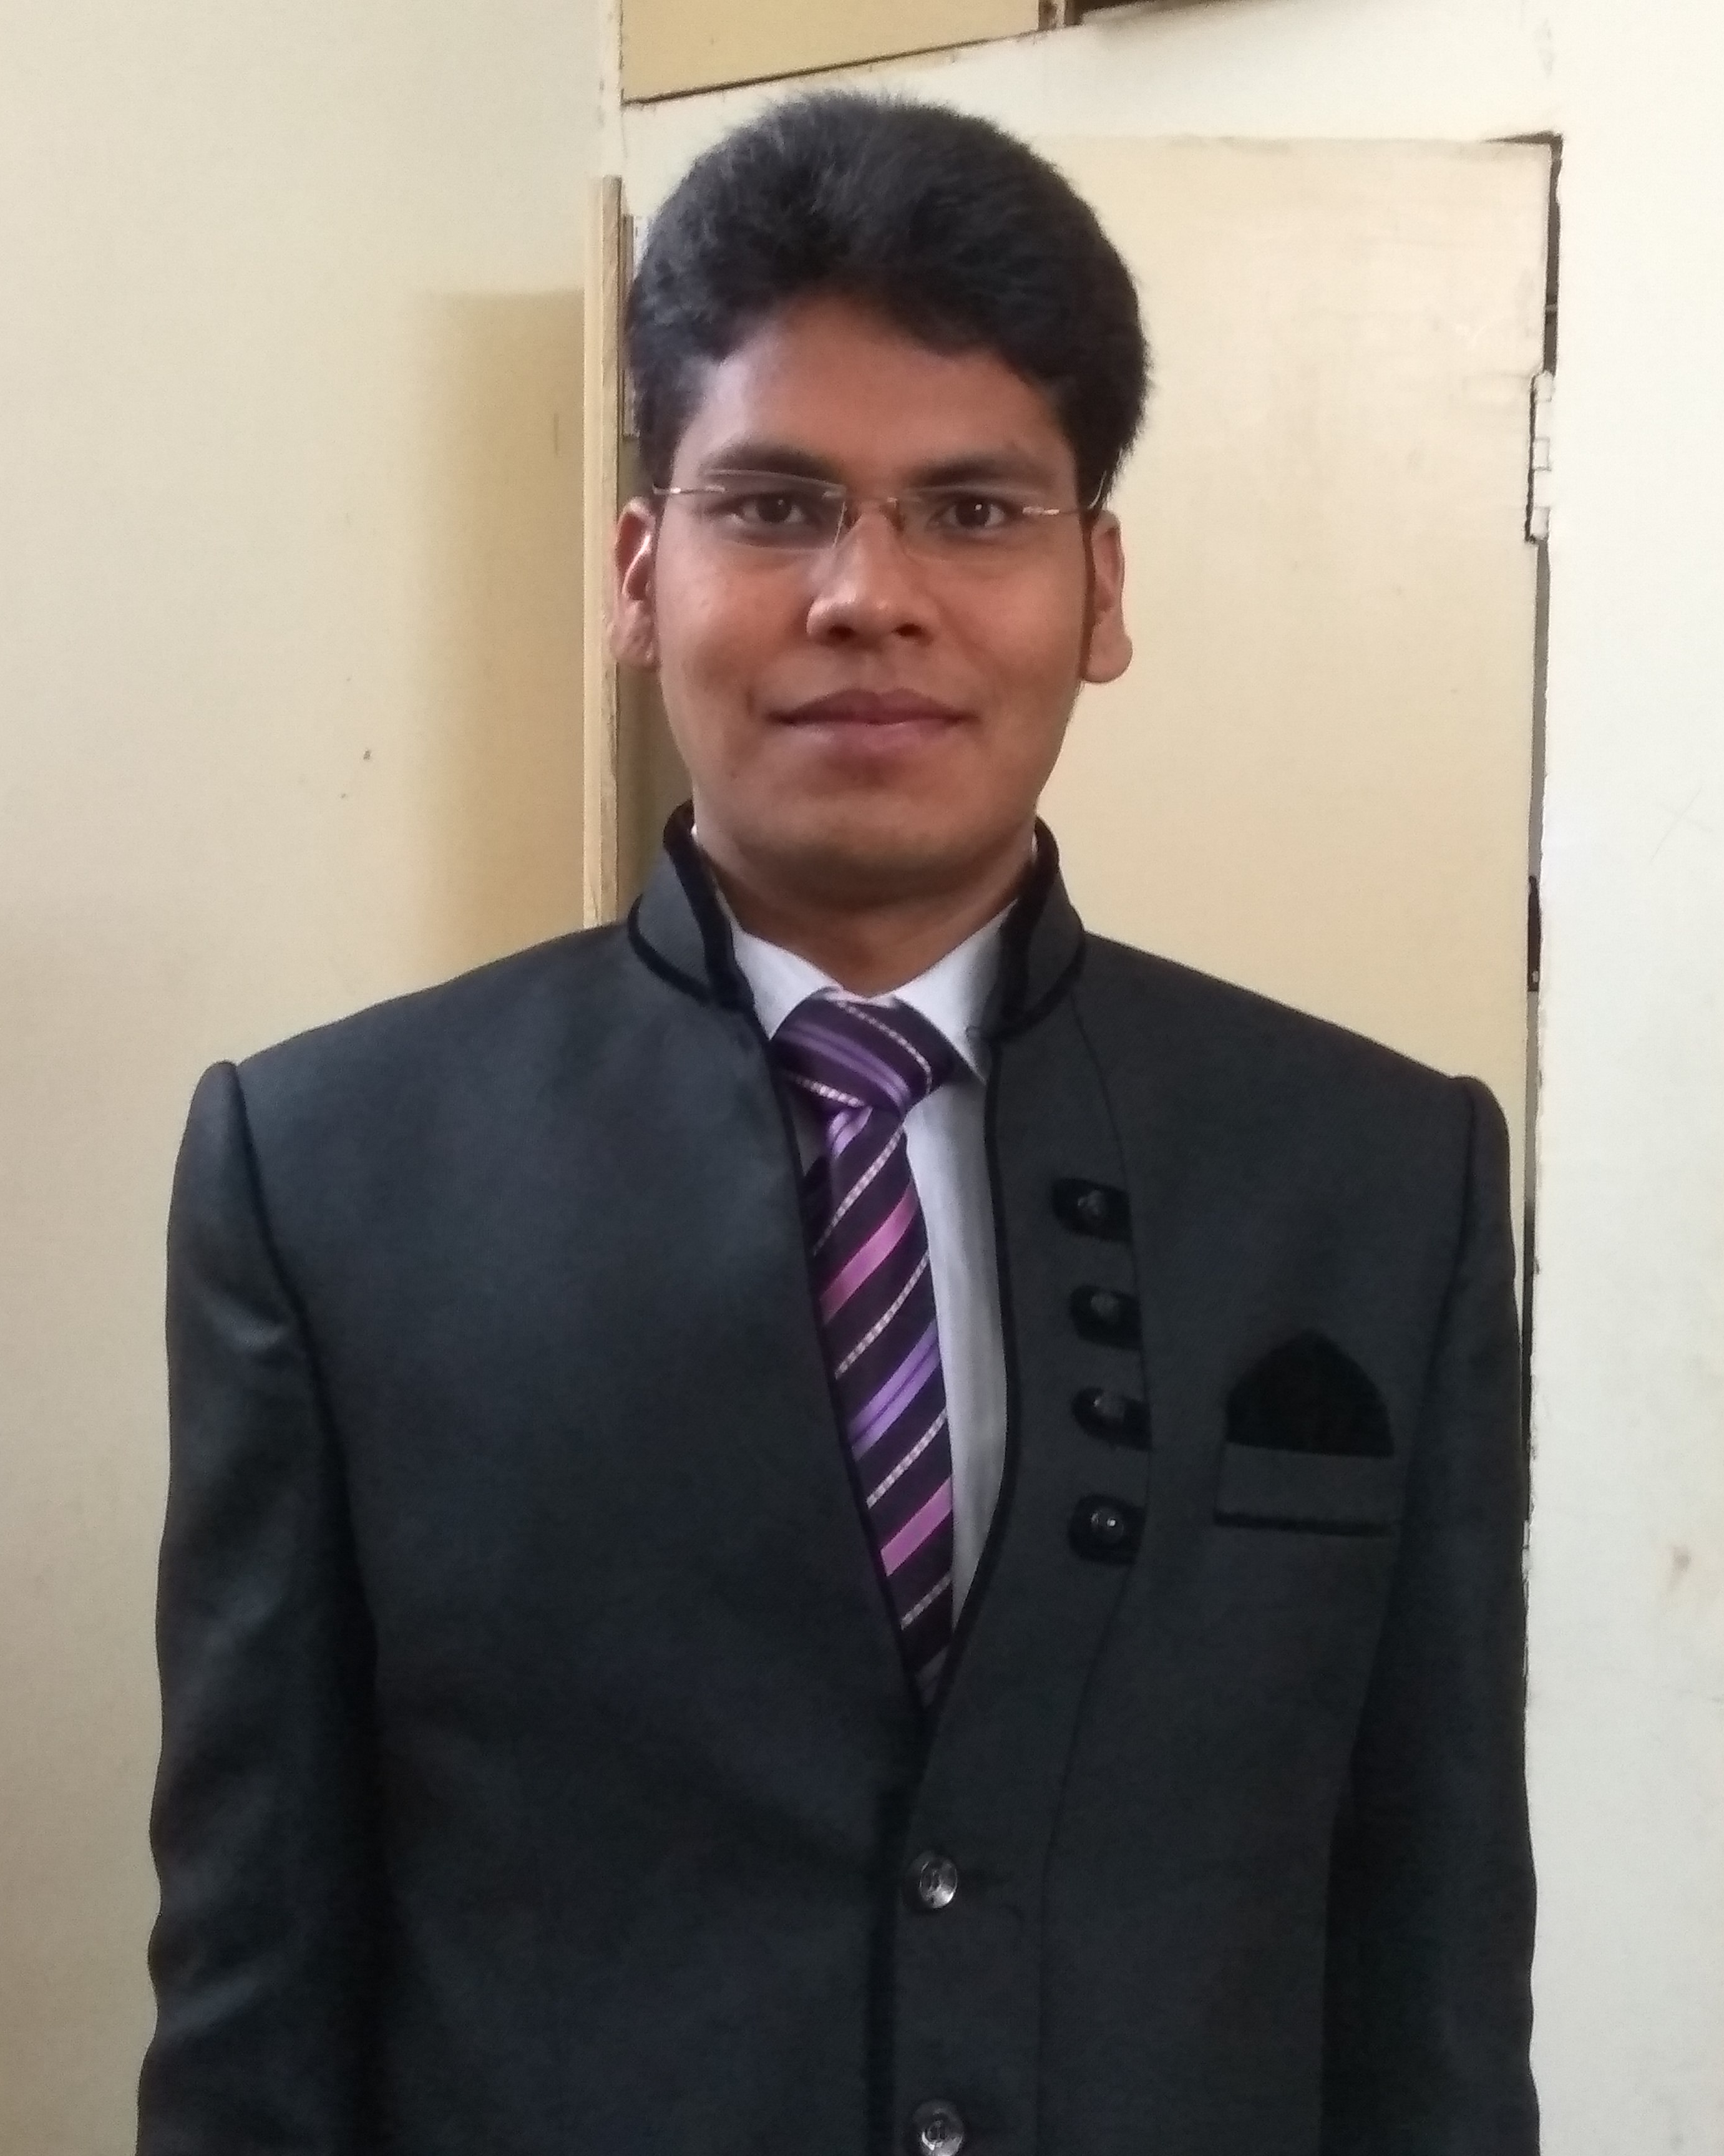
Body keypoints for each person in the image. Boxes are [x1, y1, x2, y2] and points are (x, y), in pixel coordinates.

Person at [139, 93, 1537, 2156]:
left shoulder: (1378, 1182)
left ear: (1101, 588)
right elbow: (253, 1993)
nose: (869, 594)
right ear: (642, 571)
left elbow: (1433, 1964)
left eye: (974, 511)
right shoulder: (331, 1178)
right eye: (777, 504)